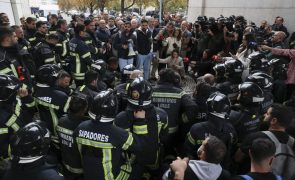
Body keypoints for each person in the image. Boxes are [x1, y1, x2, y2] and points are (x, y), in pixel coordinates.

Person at [73, 89, 145, 180]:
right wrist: (140, 121)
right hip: (111, 178)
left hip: (88, 175)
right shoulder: (117, 133)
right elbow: (139, 146)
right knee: (139, 168)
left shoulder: (80, 127)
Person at [114, 77, 169, 179]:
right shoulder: (162, 114)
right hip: (154, 159)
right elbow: (164, 138)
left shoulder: (121, 117)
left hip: (130, 165)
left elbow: (118, 144)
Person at [236, 104, 294, 179]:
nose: (264, 115)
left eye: (267, 114)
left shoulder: (255, 137)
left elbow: (237, 158)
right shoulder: (293, 142)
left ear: (274, 120)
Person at [152, 68, 197, 161]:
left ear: (160, 78)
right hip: (172, 131)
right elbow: (193, 108)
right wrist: (180, 120)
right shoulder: (180, 92)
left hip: (153, 130)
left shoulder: (151, 90)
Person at [184, 92, 236, 169]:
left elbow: (187, 152)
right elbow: (232, 150)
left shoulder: (196, 129)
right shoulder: (231, 129)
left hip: (197, 170)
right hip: (221, 171)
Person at [0, 74, 35, 178]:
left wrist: (27, 98)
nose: (17, 92)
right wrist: (21, 154)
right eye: (14, 91)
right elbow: (3, 147)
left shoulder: (14, 100)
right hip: (16, 159)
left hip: (26, 144)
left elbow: (31, 111)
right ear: (5, 93)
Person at [34, 64, 71, 160]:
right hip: (58, 130)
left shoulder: (35, 89)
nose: (58, 79)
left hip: (44, 126)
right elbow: (70, 113)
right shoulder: (60, 96)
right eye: (56, 77)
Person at [163, 136, 229, 180]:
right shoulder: (225, 175)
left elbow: (165, 177)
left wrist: (177, 170)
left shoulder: (183, 171)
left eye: (202, 145)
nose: (200, 146)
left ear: (202, 154)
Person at [57, 93, 88, 179]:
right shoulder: (84, 127)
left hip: (65, 164)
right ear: (84, 110)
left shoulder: (61, 120)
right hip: (80, 169)